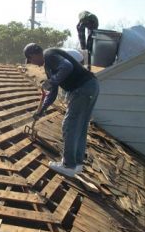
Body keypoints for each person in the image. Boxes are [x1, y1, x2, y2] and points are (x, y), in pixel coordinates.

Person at [23, 43, 99, 177]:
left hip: (82, 88)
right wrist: (41, 111)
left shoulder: (49, 54)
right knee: (80, 127)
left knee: (69, 125)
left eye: (31, 59)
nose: (33, 63)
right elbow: (52, 94)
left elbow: (67, 66)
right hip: (91, 87)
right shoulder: (49, 66)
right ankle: (77, 164)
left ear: (35, 54)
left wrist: (52, 81)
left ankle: (68, 165)